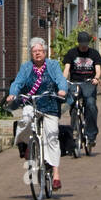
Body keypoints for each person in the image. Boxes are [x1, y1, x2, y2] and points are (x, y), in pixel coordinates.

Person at [6, 38, 69, 190]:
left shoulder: (52, 65)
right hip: (31, 102)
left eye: (39, 51)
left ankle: (56, 175)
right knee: (25, 120)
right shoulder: (26, 67)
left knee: (52, 134)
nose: (37, 54)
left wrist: (62, 90)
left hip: (50, 103)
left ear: (45, 52)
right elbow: (18, 82)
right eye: (34, 52)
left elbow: (61, 79)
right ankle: (28, 144)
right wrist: (12, 94)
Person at [62, 30, 101, 150]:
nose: (84, 47)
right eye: (82, 44)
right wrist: (63, 80)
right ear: (79, 43)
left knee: (91, 105)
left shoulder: (94, 54)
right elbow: (66, 69)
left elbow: (98, 69)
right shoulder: (72, 53)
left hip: (88, 83)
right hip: (75, 83)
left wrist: (96, 78)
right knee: (72, 103)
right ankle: (74, 127)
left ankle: (91, 136)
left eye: (86, 44)